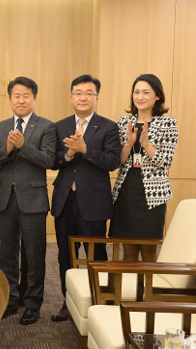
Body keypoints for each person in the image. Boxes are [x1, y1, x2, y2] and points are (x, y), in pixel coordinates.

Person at [50, 75, 121, 322]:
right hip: (64, 200)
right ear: (71, 98)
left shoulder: (108, 127)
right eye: (78, 93)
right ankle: (68, 302)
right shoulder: (59, 126)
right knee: (65, 255)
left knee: (96, 254)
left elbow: (113, 161)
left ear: (96, 98)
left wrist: (86, 150)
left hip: (94, 202)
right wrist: (69, 153)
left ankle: (98, 301)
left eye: (88, 93)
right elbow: (52, 161)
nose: (83, 97)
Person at [0, 76, 55, 325]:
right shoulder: (0, 126)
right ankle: (9, 301)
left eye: (26, 96)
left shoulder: (47, 126)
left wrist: (24, 146)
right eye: (17, 96)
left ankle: (33, 305)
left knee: (35, 255)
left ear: (34, 99)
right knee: (8, 254)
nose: (21, 100)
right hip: (5, 198)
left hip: (33, 199)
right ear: (10, 99)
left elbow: (49, 160)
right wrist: (6, 149)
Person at [109, 74, 178, 261]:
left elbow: (165, 163)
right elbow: (118, 161)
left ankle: (147, 282)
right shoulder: (123, 122)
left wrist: (146, 143)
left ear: (157, 96)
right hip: (126, 192)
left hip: (152, 197)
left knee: (148, 251)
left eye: (146, 92)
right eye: (136, 92)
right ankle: (130, 282)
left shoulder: (167, 124)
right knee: (128, 249)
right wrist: (129, 144)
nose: (140, 97)